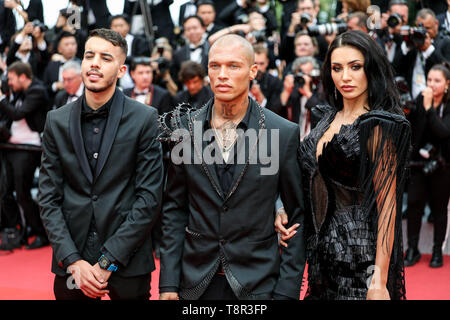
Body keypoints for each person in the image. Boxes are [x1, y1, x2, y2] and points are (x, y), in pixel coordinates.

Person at [159, 34, 306, 300]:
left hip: (259, 282)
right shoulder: (184, 131)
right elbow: (174, 209)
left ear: (253, 71)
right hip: (196, 281)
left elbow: (296, 216)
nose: (222, 74)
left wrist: (286, 292)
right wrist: (168, 283)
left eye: (233, 66)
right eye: (215, 66)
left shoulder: (281, 132)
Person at [276, 30, 411, 300]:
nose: (345, 77)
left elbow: (388, 207)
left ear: (370, 69)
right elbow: (311, 181)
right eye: (337, 68)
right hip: (321, 257)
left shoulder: (377, 126)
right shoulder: (325, 117)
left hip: (360, 259)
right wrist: (282, 210)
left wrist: (380, 279)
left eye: (355, 67)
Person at [38, 28, 164, 300]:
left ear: (121, 70)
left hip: (127, 259)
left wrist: (109, 261)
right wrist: (72, 260)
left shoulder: (145, 119)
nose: (94, 62)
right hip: (72, 262)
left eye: (106, 58)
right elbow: (48, 198)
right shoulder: (55, 120)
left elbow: (149, 198)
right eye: (89, 55)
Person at [404, 62, 450, 268]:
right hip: (418, 164)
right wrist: (415, 109)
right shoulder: (421, 99)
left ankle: (436, 251)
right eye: (429, 80)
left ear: (447, 84)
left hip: (442, 165)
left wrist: (430, 109)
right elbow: (415, 132)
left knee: (439, 209)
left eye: (437, 81)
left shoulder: (447, 106)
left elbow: (443, 132)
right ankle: (412, 249)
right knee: (414, 205)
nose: (431, 84)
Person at [0, 61, 49, 250]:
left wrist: (2, 98)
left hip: (29, 149)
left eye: (11, 79)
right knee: (5, 193)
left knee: (22, 193)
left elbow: (17, 114)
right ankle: (16, 232)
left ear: (22, 77)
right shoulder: (18, 91)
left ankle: (40, 232)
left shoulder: (37, 91)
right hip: (11, 147)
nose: (8, 82)